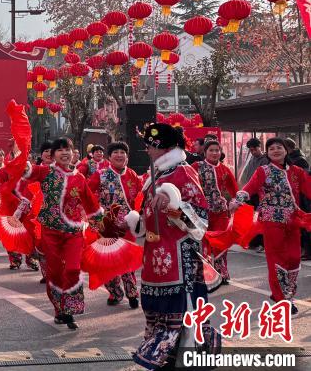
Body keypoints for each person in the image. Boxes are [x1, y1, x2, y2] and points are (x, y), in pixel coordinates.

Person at [132, 123, 219, 369]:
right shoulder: (155, 176)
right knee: (157, 309)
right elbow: (147, 216)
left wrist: (173, 208)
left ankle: (182, 357)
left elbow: (200, 221)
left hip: (180, 257)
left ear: (163, 147)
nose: (147, 150)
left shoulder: (183, 172)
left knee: (183, 310)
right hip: (156, 256)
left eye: (150, 146)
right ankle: (167, 356)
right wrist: (132, 222)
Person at [19, 137, 103, 330]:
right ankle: (59, 310)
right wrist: (20, 152)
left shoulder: (79, 178)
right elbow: (25, 170)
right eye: (60, 150)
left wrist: (101, 226)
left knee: (73, 269)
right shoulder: (45, 172)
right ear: (53, 154)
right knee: (55, 272)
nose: (65, 153)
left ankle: (70, 309)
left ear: (74, 153)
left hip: (73, 232)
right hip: (50, 231)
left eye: (68, 149)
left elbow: (91, 204)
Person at [230, 137, 311, 314]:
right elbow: (249, 188)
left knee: (294, 258)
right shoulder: (263, 171)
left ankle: (288, 293)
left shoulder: (296, 171)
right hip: (271, 222)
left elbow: (309, 188)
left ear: (286, 150)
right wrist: (237, 200)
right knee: (277, 260)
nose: (275, 150)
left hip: (293, 221)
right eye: (271, 148)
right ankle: (283, 299)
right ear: (267, 153)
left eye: (279, 147)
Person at [87, 141, 142, 308]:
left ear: (127, 156)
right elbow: (87, 195)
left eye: (122, 152)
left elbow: (141, 198)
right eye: (116, 152)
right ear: (109, 157)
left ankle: (132, 293)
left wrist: (136, 217)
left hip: (127, 226)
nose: (119, 155)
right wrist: (96, 216)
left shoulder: (132, 174)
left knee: (126, 260)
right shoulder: (101, 174)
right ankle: (115, 292)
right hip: (107, 226)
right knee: (108, 260)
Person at [193, 140, 238, 285]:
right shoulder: (196, 167)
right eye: (211, 150)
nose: (214, 153)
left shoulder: (225, 170)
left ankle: (222, 272)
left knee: (221, 242)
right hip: (201, 212)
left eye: (217, 150)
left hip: (221, 212)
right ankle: (206, 274)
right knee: (203, 243)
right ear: (204, 152)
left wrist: (234, 202)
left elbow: (234, 190)